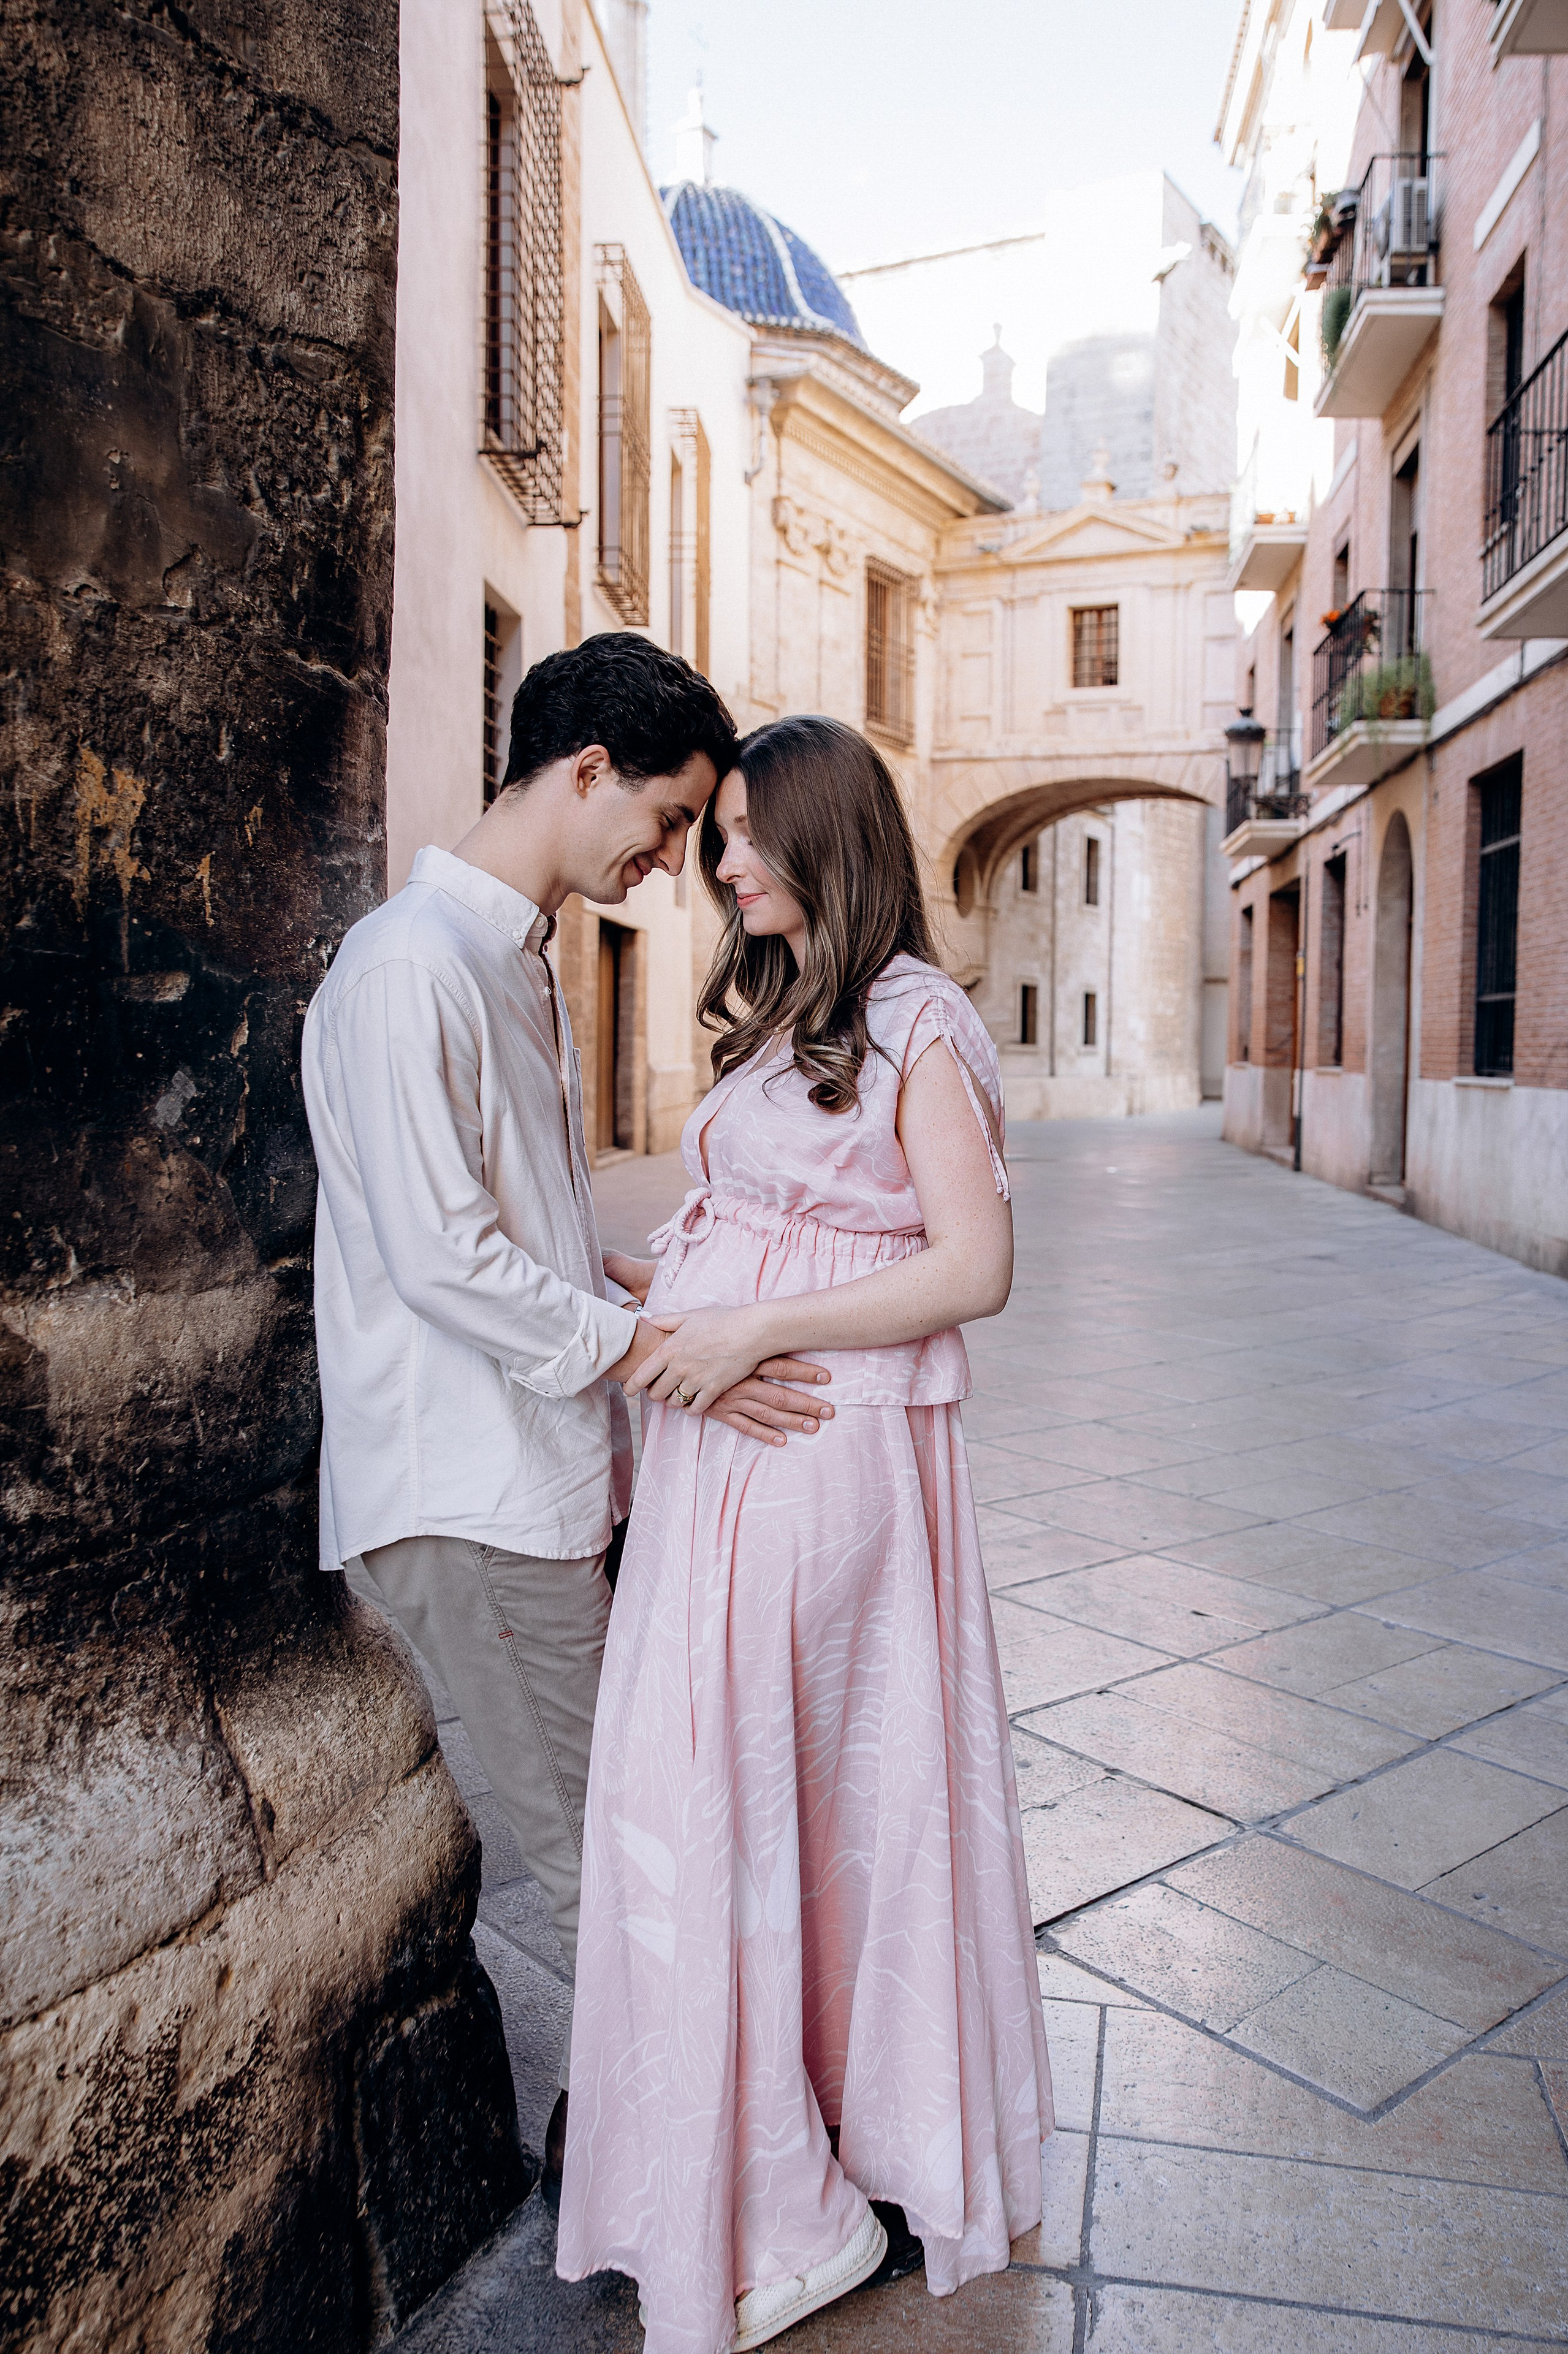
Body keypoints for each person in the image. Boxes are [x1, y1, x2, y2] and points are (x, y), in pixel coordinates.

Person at [300, 636, 835, 2207]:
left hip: (531, 1480)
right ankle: (674, 2195)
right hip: (467, 1493)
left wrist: (656, 1286)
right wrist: (661, 1354)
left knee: (630, 1834)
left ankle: (644, 2160)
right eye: (667, 821)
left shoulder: (511, 956)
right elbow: (440, 1260)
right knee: (615, 1856)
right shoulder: (409, 965)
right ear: (586, 768)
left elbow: (515, 1234)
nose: (674, 862)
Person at [558, 714, 1053, 2352]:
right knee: (747, 1793)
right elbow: (772, 1230)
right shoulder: (792, 1011)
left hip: (816, 1453)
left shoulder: (915, 1021)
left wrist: (752, 1330)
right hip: (726, 1446)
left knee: (770, 1790)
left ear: (831, 836)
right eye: (717, 835)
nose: (722, 861)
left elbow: (971, 1266)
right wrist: (653, 1289)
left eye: (750, 833)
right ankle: (781, 2147)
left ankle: (811, 2189)